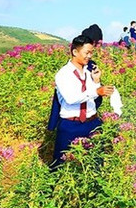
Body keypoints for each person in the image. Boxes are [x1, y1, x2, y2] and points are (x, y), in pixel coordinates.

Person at [49, 35, 118, 167]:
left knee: (96, 161)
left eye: (91, 52)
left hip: (92, 122)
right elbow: (71, 98)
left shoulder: (89, 72)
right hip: (70, 125)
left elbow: (93, 97)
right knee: (60, 163)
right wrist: (97, 91)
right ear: (75, 52)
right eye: (87, 52)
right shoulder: (63, 74)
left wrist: (96, 81)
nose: (89, 56)